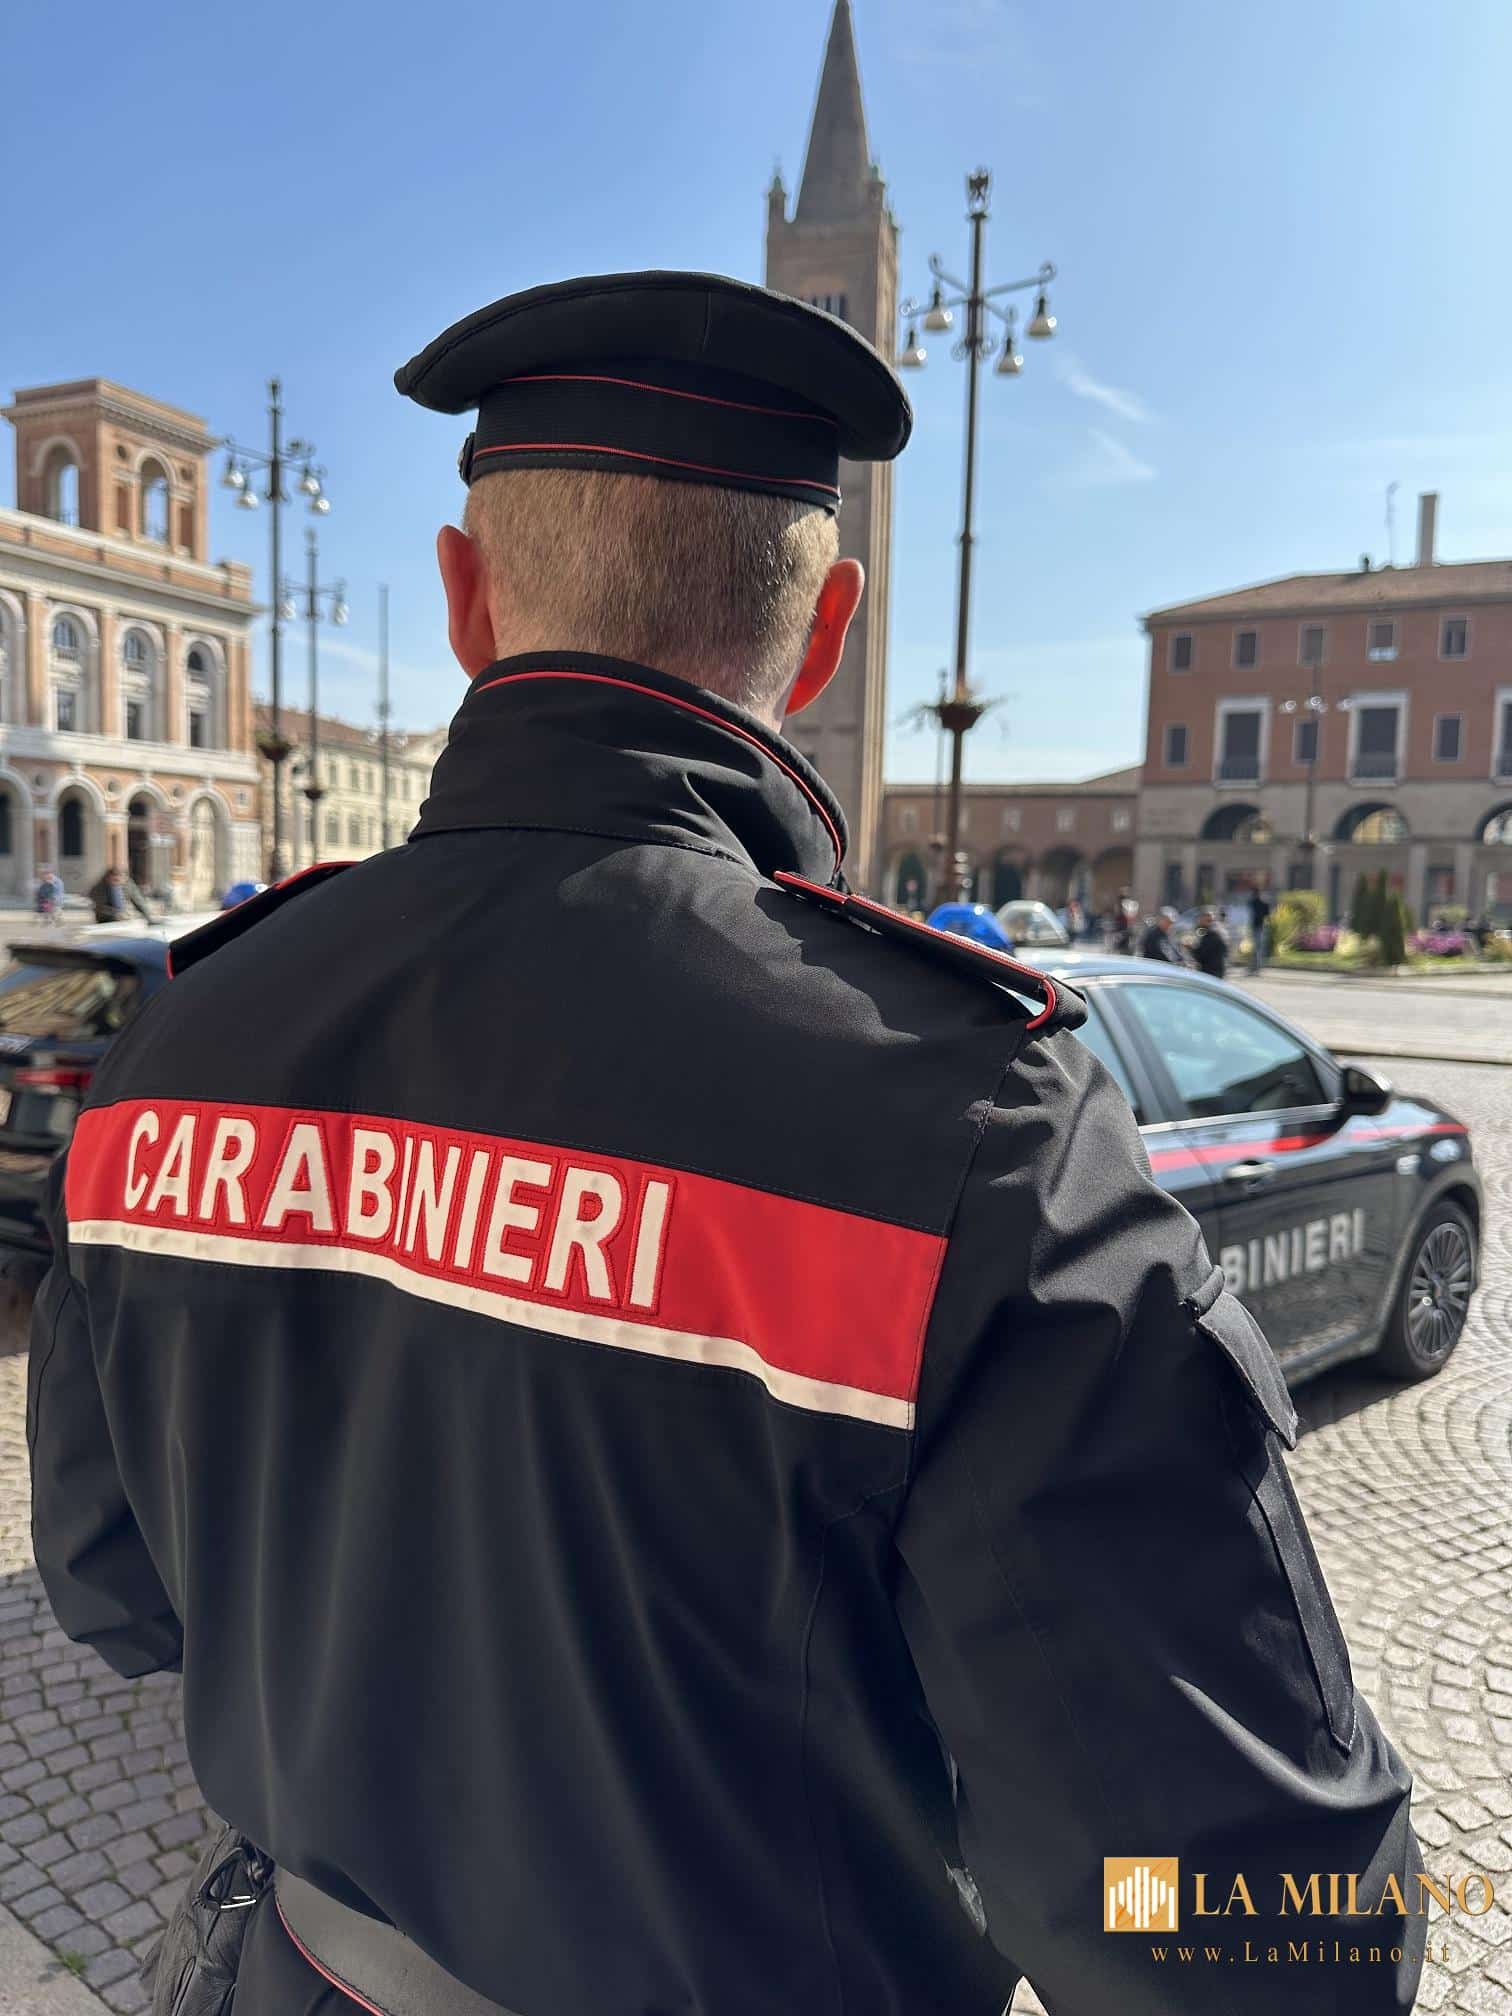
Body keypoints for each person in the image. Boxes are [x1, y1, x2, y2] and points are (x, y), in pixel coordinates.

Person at [29, 271, 1423, 2016]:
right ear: (824, 632)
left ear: (465, 605)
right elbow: (1239, 1918)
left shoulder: (187, 1032)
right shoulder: (960, 1122)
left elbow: (111, 1589)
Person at [88, 864, 153, 925]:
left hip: (123, 918)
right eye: (114, 880)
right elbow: (100, 907)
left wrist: (148, 918)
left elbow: (139, 902)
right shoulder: (99, 888)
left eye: (119, 881)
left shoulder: (128, 885)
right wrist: (117, 914)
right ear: (108, 878)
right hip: (105, 919)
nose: (117, 883)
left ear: (124, 879)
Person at [1192, 906, 1229, 979]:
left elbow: (1201, 955)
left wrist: (1190, 948)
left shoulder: (1212, 934)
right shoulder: (1218, 930)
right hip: (1216, 970)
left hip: (1211, 972)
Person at [1248, 879, 1272, 974]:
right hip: (1261, 926)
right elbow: (1268, 915)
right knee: (1259, 947)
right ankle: (1257, 967)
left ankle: (1256, 967)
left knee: (1256, 947)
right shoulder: (1264, 903)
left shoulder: (1252, 902)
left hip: (1255, 926)